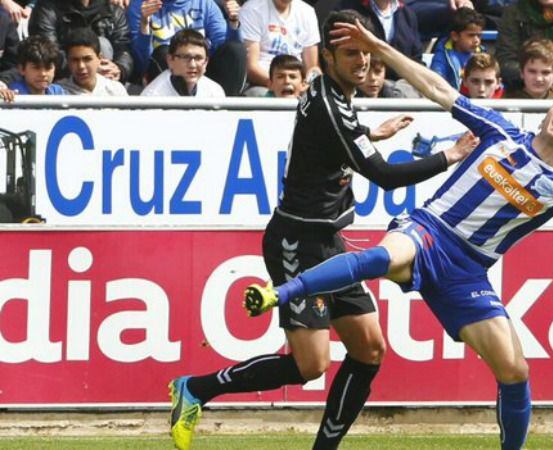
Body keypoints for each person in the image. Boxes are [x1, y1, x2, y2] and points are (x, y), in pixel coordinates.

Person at [241, 19, 553, 450]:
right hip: (430, 230)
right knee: (385, 256)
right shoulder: (500, 131)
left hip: (467, 272)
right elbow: (435, 86)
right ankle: (281, 292)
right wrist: (380, 50)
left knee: (515, 369)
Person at [166, 10, 477, 450]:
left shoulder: (334, 99)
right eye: (351, 54)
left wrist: (371, 132)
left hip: (330, 242)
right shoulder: (331, 104)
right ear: (327, 57)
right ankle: (196, 389)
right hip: (297, 242)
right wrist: (450, 155)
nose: (363, 63)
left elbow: (335, 140)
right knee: (311, 365)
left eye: (367, 53)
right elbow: (382, 175)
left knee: (370, 349)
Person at [127, 0, 246, 96]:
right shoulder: (141, 5)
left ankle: (230, 109)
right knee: (165, 51)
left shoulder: (205, 3)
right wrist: (144, 24)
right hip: (165, 75)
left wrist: (233, 21)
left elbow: (227, 50)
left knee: (236, 49)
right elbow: (142, 63)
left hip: (200, 71)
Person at [29, 0, 134, 83]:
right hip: (65, 83)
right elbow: (48, 52)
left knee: (103, 45)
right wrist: (89, 68)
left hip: (108, 80)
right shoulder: (47, 9)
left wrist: (119, 69)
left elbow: (123, 47)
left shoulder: (112, 11)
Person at [239, 0, 321, 95]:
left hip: (298, 84)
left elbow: (312, 67)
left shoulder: (307, 12)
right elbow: (251, 67)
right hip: (262, 84)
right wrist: (280, 86)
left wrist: (304, 85)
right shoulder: (252, 9)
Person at [335, 0, 422, 80]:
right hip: (360, 84)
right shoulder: (346, 8)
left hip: (401, 87)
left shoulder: (408, 14)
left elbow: (416, 58)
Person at [140, 28, 224, 97]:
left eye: (198, 58)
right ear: (170, 60)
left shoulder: (215, 92)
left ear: (206, 62)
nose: (192, 65)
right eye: (185, 57)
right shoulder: (153, 96)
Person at [59, 27, 129, 95]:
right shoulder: (58, 92)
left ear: (99, 58)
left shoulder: (115, 90)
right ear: (67, 60)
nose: (81, 66)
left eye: (87, 59)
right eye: (75, 60)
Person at [429, 6, 485, 89]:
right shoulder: (442, 57)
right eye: (471, 35)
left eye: (479, 36)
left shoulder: (482, 54)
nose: (476, 40)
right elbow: (437, 83)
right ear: (455, 36)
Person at [0, 34, 64, 102]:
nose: (43, 74)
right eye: (36, 68)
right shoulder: (12, 93)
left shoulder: (58, 91)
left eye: (48, 68)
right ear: (21, 69)